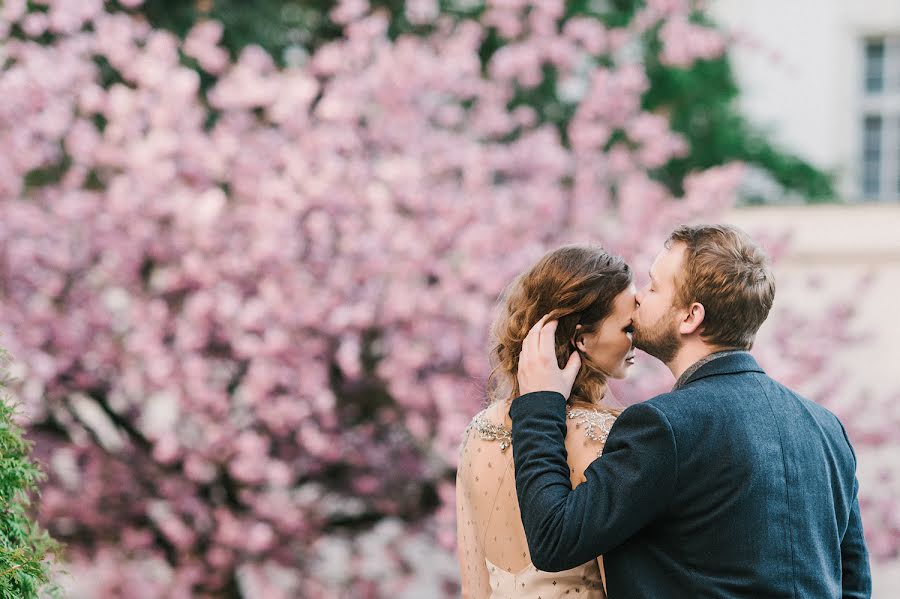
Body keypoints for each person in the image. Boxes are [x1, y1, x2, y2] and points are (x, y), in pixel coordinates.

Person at [510, 224, 872, 598]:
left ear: (690, 317)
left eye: (653, 286)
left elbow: (554, 538)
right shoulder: (827, 428)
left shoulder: (664, 427)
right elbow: (856, 586)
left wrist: (539, 404)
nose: (638, 300)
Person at [456, 245, 637, 598]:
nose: (637, 341)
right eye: (628, 328)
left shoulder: (476, 432)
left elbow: (473, 588)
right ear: (582, 338)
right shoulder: (603, 439)